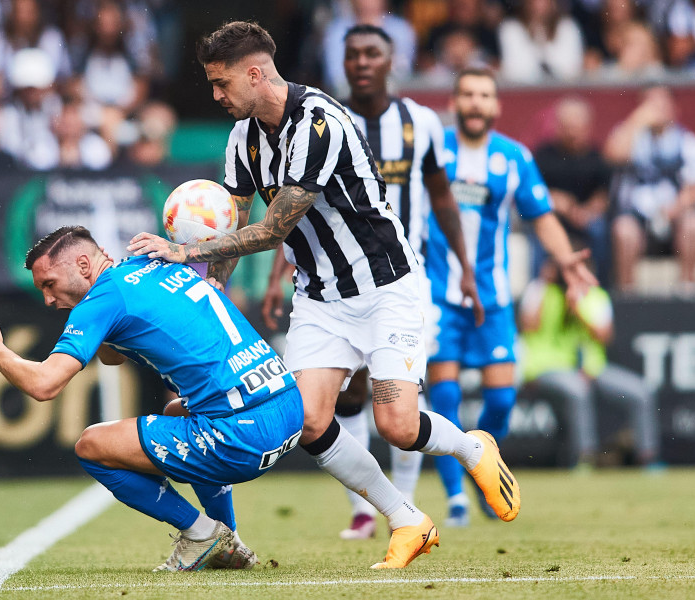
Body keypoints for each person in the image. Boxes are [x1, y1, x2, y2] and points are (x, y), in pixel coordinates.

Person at [129, 21, 520, 569]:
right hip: (318, 297)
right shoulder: (243, 138)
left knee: (398, 426)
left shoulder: (320, 125)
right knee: (308, 422)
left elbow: (271, 230)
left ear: (255, 73)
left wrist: (182, 253)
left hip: (387, 287)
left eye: (221, 83)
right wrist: (211, 283)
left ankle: (472, 448)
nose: (215, 95)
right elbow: (236, 223)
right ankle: (407, 520)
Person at [0, 225, 304, 572]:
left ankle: (203, 534)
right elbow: (115, 356)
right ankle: (229, 540)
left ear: (83, 265)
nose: (48, 300)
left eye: (49, 284)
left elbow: (44, 386)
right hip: (288, 409)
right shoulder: (152, 263)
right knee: (177, 411)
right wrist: (100, 321)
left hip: (243, 436)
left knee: (91, 446)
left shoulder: (104, 297)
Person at [261, 24, 483, 541]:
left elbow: (441, 195)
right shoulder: (320, 122)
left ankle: (406, 501)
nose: (360, 62)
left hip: (401, 278)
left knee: (400, 406)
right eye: (351, 54)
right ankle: (370, 509)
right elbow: (293, 210)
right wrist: (279, 271)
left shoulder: (421, 122)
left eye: (371, 54)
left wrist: (466, 268)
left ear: (391, 61)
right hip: (328, 285)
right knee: (343, 400)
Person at [424, 67, 596, 527]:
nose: (476, 102)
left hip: (493, 299)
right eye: (468, 94)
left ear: (496, 106)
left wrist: (566, 261)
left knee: (501, 398)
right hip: (438, 298)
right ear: (456, 101)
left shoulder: (514, 157)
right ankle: (455, 497)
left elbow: (541, 216)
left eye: (484, 95)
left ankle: (484, 473)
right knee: (445, 401)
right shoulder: (433, 151)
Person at [519, 257, 660, 468]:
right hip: (546, 369)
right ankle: (585, 458)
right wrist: (544, 284)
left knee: (641, 392)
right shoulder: (543, 291)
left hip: (593, 370)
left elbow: (604, 336)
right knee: (578, 389)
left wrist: (578, 309)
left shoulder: (595, 296)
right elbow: (528, 325)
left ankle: (648, 458)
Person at [605, 85, 695, 292]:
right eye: (650, 103)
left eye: (662, 103)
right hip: (637, 215)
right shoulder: (630, 132)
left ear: (674, 107)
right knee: (623, 230)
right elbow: (613, 156)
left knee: (693, 225)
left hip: (673, 215)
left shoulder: (684, 138)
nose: (657, 109)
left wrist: (676, 208)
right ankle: (629, 299)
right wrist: (636, 121)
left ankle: (688, 293)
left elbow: (694, 185)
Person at [533, 97, 612, 285]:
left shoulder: (596, 158)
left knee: (599, 229)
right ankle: (537, 289)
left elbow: (603, 195)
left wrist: (588, 211)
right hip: (552, 216)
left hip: (585, 218)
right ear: (558, 126)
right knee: (538, 232)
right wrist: (556, 201)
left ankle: (601, 286)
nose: (573, 133)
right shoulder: (543, 156)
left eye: (577, 127)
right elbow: (533, 192)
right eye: (568, 127)